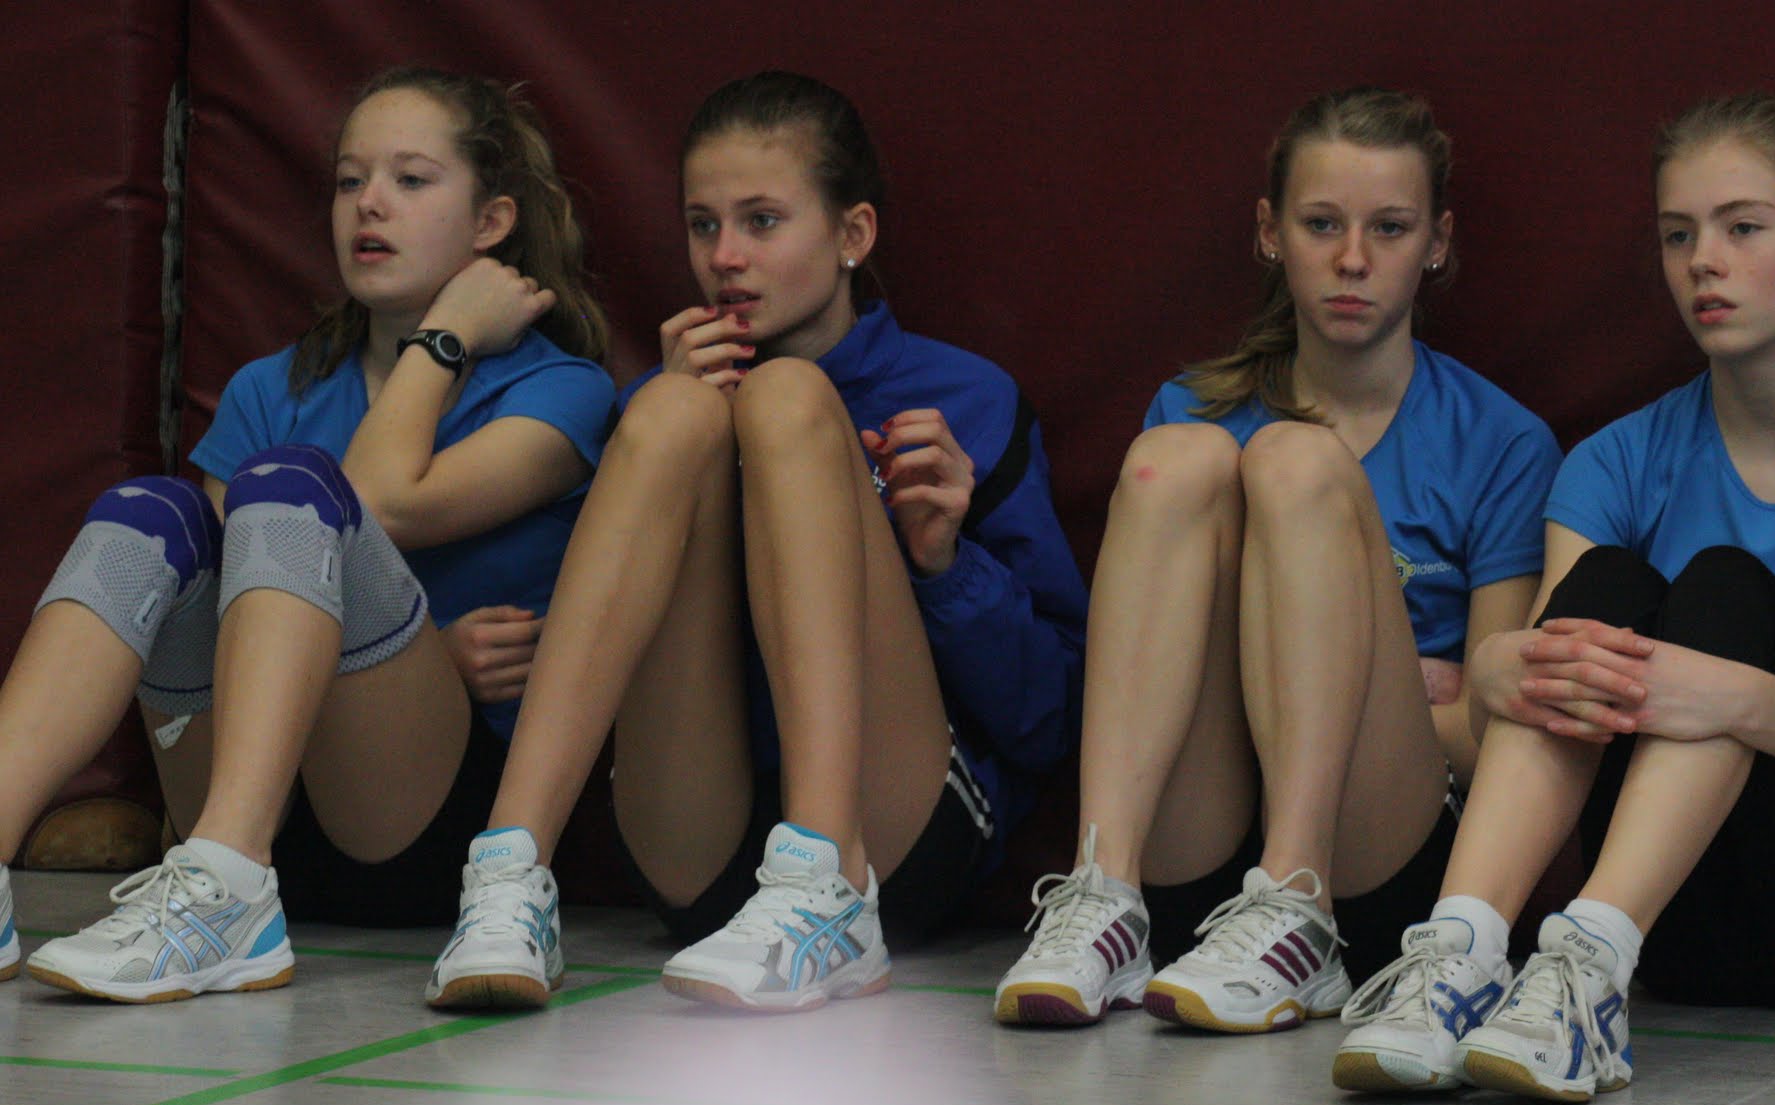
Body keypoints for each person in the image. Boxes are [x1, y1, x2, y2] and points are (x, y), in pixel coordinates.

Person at [1333, 92, 1775, 1102]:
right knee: (1601, 592)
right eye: (1678, 235)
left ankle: (1586, 962)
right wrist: (1492, 673)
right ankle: (1462, 956)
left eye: (1742, 228)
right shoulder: (1612, 462)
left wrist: (1724, 692)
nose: (1704, 261)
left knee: (1722, 584)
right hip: (1682, 925)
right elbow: (1535, 702)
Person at [422, 70, 1086, 1012]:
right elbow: (592, 647)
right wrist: (663, 430)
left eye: (763, 221)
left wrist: (945, 566)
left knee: (785, 396)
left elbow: (1049, 722)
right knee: (675, 413)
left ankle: (823, 880)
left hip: (890, 844)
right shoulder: (653, 399)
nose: (725, 257)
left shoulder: (965, 399)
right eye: (703, 225)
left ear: (853, 234)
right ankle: (507, 875)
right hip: (699, 849)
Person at [0, 66, 614, 1001]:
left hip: (416, 827)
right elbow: (212, 614)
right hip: (259, 803)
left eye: (411, 179)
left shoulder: (560, 388)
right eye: (349, 180)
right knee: (147, 515)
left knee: (292, 490)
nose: (370, 202)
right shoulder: (269, 387)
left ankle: (231, 884)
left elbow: (374, 500)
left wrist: (445, 336)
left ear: (492, 222)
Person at [993, 87, 1561, 1034]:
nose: (1352, 259)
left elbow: (1493, 738)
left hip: (1375, 862)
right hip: (1203, 845)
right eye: (1321, 224)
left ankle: (1297, 898)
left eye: (1389, 228)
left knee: (1296, 462)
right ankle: (1103, 891)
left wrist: (1369, 681)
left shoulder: (1501, 441)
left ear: (1436, 242)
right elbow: (1142, 683)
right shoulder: (1188, 411)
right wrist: (1313, 674)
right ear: (1270, 233)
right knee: (1177, 461)